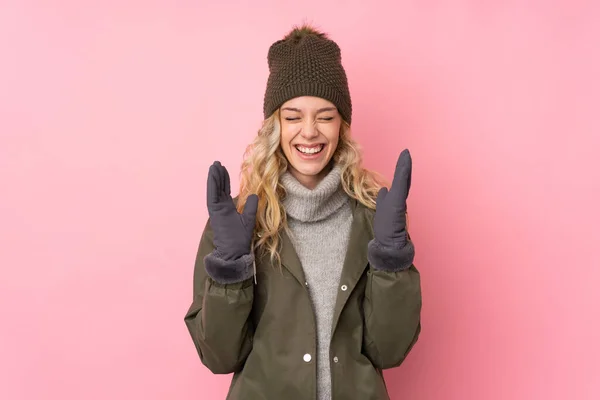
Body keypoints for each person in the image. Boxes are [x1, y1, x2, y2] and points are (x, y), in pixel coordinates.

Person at [184, 24, 422, 400]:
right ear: (274, 125)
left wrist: (392, 263)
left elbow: (389, 350)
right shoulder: (237, 226)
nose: (309, 132)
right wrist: (230, 273)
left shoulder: (374, 219)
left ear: (342, 124)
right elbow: (219, 355)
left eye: (325, 116)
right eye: (293, 116)